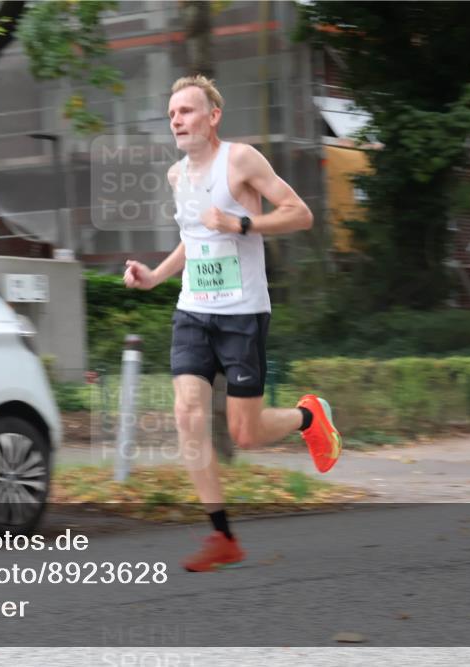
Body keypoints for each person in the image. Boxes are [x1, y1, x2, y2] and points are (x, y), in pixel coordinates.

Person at [123, 75, 342, 572]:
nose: (176, 119)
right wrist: (155, 275)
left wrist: (241, 223)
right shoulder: (177, 176)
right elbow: (193, 239)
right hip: (193, 312)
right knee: (187, 414)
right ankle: (222, 536)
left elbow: (300, 214)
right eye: (171, 112)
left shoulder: (239, 160)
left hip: (243, 313)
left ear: (212, 116)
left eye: (186, 111)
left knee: (246, 433)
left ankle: (310, 417)